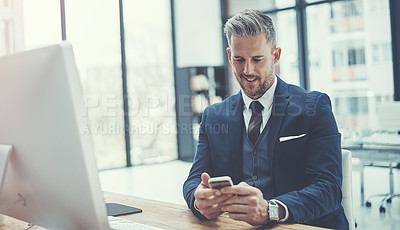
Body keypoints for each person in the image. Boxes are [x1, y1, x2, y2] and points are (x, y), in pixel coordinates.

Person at [182, 9, 349, 229]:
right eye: (239, 60)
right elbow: (193, 180)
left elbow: (329, 189)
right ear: (230, 56)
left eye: (257, 59)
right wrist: (198, 199)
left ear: (276, 55)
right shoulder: (214, 116)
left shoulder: (314, 107)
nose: (248, 70)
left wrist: (270, 210)